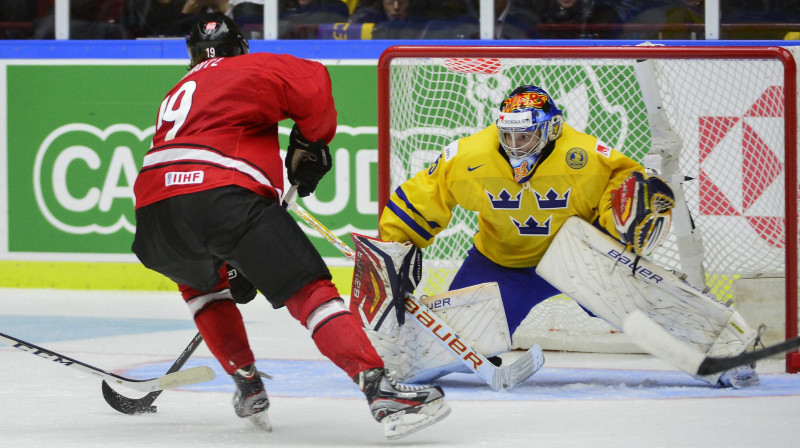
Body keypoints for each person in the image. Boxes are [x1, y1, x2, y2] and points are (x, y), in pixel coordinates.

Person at [131, 12, 449, 438]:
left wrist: (234, 259)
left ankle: (247, 385)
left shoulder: (177, 91)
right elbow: (313, 80)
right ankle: (380, 389)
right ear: (240, 46)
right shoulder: (250, 66)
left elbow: (193, 184)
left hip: (154, 214)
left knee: (203, 289)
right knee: (309, 291)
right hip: (225, 199)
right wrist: (310, 142)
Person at [378, 84, 760, 389]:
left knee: (644, 309)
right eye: (508, 137)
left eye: (526, 137)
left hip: (578, 256)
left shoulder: (585, 155)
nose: (515, 147)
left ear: (551, 129)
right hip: (502, 263)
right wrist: (393, 251)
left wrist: (623, 219)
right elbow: (423, 195)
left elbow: (625, 186)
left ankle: (728, 351)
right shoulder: (468, 157)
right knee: (444, 349)